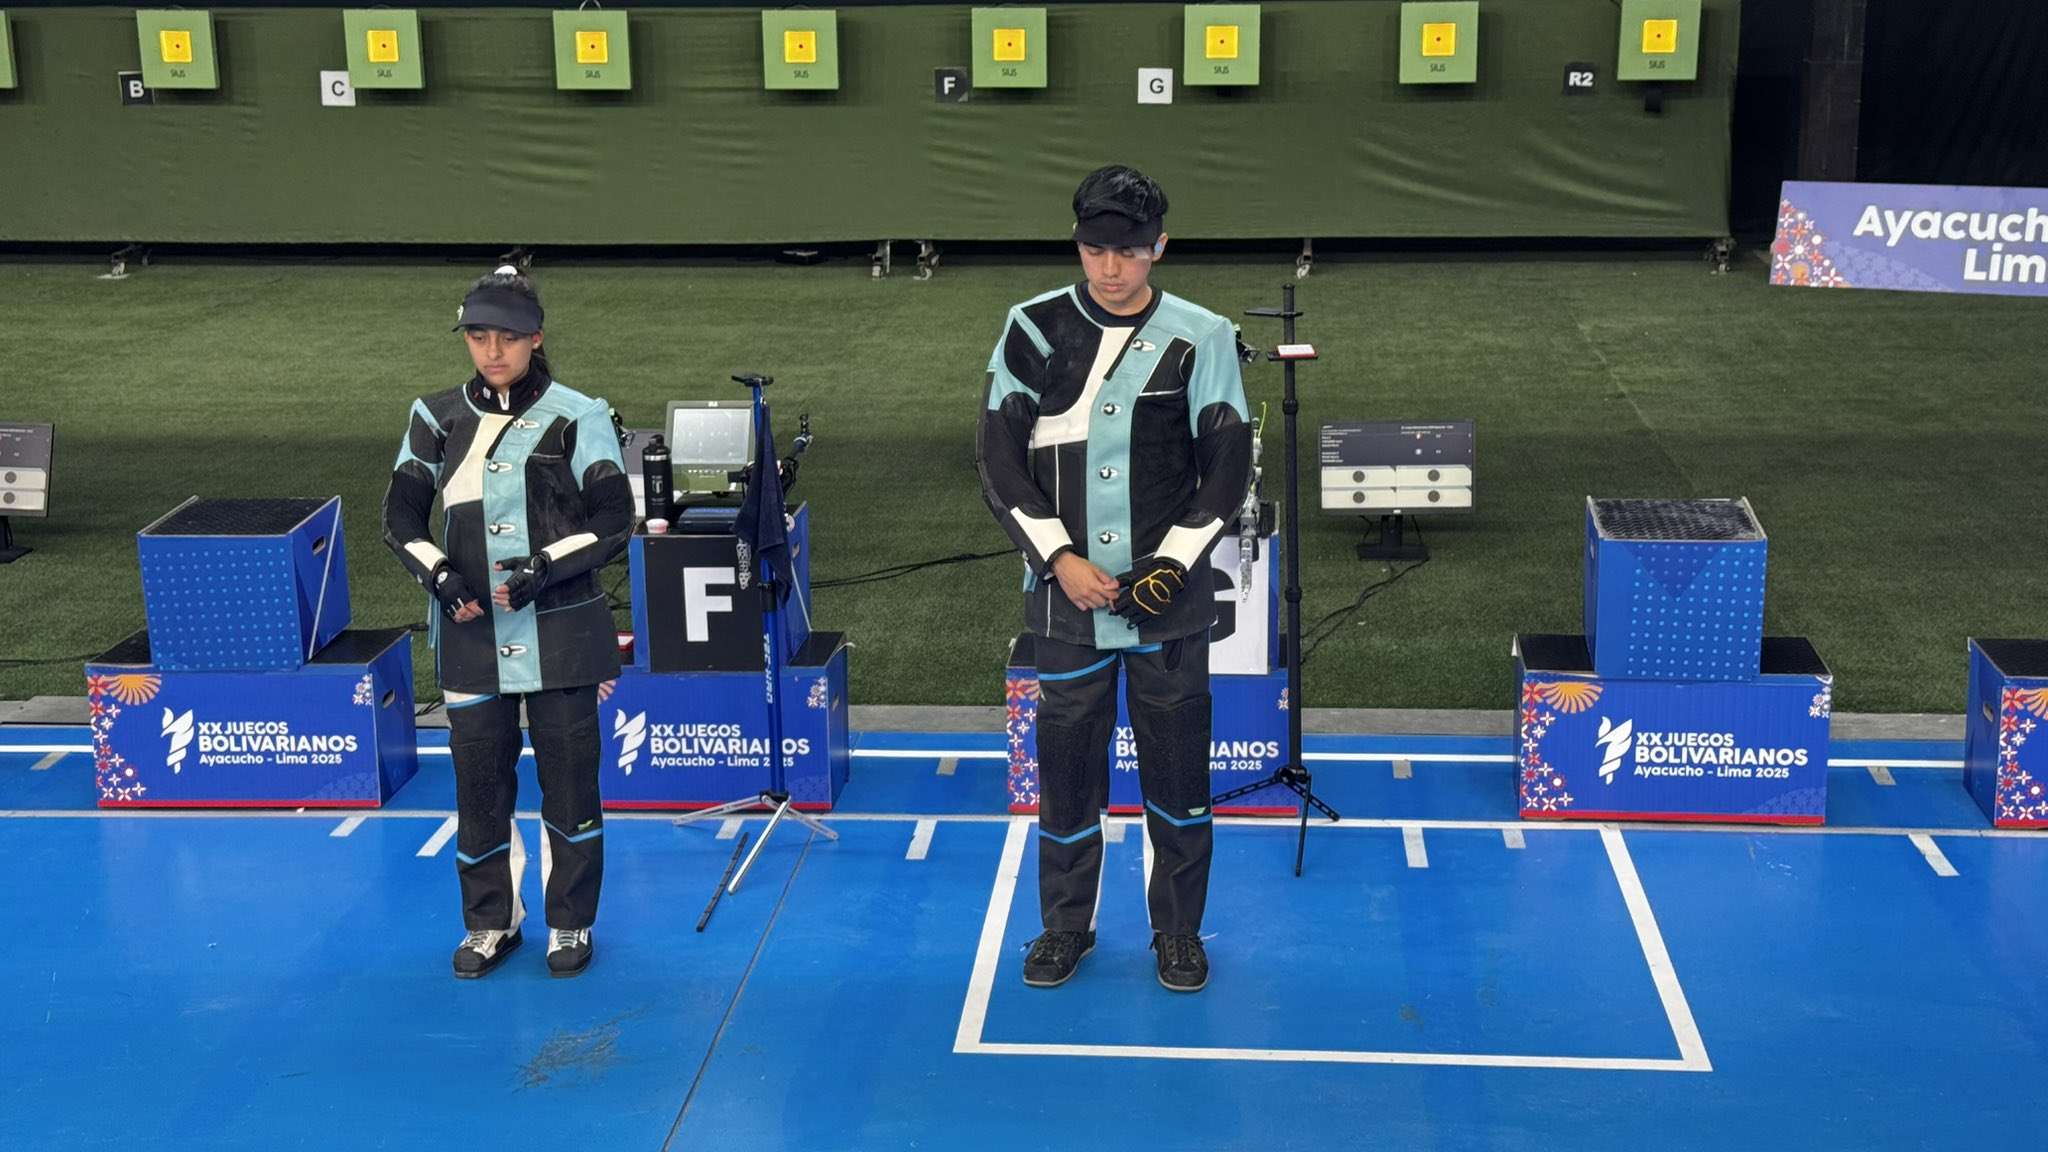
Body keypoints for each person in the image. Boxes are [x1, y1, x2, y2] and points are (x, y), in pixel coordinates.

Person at [976, 166, 1252, 992]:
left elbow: (1227, 464)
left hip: (1171, 610)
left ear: (1158, 247)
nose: (1110, 268)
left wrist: (1172, 564)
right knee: (1065, 779)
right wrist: (1059, 560)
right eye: (1095, 250)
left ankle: (1179, 933)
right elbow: (997, 460)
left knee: (1179, 779)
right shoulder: (1031, 328)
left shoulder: (1204, 335)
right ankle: (1066, 928)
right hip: (1064, 608)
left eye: (1128, 252)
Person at [382, 266, 634, 979]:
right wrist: (440, 576)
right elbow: (399, 518)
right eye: (478, 336)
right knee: (480, 789)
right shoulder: (434, 416)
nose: (493, 351)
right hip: (470, 635)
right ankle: (491, 924)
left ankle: (571, 922)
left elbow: (616, 518)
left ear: (536, 338)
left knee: (571, 786)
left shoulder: (579, 415)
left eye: (508, 337)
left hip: (562, 631)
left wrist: (545, 566)